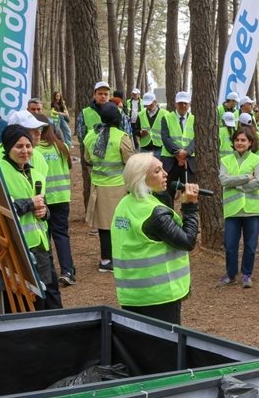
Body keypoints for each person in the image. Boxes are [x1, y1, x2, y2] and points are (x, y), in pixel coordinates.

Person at [112, 153, 199, 324]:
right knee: (166, 346)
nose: (166, 173)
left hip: (131, 293)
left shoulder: (124, 204)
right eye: (158, 171)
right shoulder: (155, 213)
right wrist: (190, 207)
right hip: (160, 296)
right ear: (141, 178)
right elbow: (187, 241)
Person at [0, 123, 62, 311]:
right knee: (16, 301)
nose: (25, 151)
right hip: (13, 248)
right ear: (9, 148)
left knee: (44, 296)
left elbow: (43, 206)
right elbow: (0, 210)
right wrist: (29, 204)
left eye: (28, 146)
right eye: (19, 146)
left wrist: (44, 212)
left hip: (39, 247)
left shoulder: (36, 174)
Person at [84, 102, 135, 272]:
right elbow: (131, 162)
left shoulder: (91, 135)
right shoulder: (121, 137)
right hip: (118, 186)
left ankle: (106, 260)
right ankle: (119, 257)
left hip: (98, 186)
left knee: (103, 226)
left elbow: (88, 159)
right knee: (120, 223)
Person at [218, 128, 259, 288]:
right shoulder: (225, 160)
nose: (240, 143)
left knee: (250, 245)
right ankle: (231, 274)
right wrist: (246, 177)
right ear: (233, 142)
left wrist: (237, 184)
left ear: (250, 143)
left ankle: (247, 274)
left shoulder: (258, 160)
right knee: (230, 245)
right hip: (232, 209)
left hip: (252, 209)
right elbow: (223, 180)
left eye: (243, 140)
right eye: (237, 140)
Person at [33, 114, 77, 286]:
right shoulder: (62, 147)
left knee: (45, 235)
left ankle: (49, 271)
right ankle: (67, 270)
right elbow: (69, 167)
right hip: (62, 197)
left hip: (44, 199)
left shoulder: (35, 151)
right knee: (61, 235)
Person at [159, 91, 197, 203]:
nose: (183, 106)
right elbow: (165, 138)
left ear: (189, 104)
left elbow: (197, 139)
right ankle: (167, 217)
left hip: (189, 161)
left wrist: (186, 153)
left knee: (189, 191)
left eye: (185, 103)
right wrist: (178, 154)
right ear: (175, 104)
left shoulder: (194, 119)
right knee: (167, 193)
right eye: (180, 103)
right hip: (170, 161)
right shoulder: (166, 118)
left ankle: (187, 217)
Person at [77, 81, 113, 145]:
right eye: (100, 94)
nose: (103, 96)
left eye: (106, 94)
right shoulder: (84, 113)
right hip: (92, 153)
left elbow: (125, 135)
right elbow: (81, 137)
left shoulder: (119, 112)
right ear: (94, 95)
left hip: (113, 153)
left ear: (109, 96)